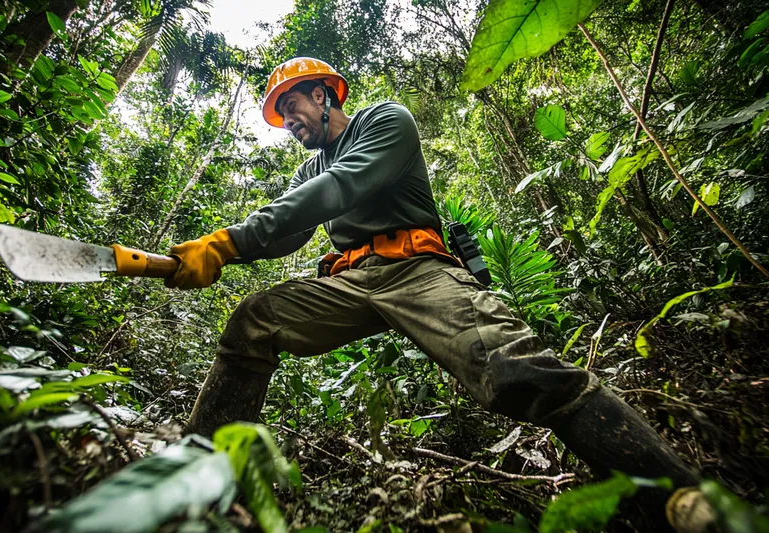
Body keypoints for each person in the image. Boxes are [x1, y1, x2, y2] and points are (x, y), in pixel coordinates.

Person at [166, 57, 699, 528]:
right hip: (351, 281)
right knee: (254, 322)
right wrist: (218, 253)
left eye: (293, 106)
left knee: (516, 369)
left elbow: (340, 189)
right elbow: (289, 231)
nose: (289, 122)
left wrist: (229, 241)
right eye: (280, 115)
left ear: (323, 95)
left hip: (418, 270)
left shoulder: (385, 122)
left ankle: (675, 495)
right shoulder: (311, 165)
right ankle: (201, 488)